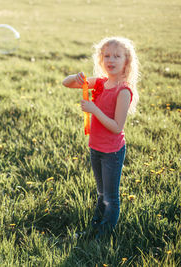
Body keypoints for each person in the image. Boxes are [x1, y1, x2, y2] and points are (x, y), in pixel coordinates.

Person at [62, 37, 139, 239]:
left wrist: (94, 109)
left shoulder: (123, 91)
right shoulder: (100, 83)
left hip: (112, 152)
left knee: (111, 197)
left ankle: (104, 236)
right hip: (95, 148)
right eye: (107, 55)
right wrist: (76, 77)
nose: (111, 60)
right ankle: (96, 227)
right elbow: (66, 83)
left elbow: (116, 126)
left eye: (117, 56)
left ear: (126, 61)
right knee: (101, 194)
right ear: (101, 59)